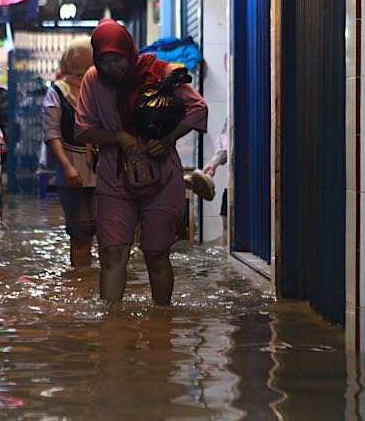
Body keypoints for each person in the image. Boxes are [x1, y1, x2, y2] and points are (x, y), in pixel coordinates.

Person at [75, 19, 208, 305]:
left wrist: (168, 139)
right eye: (105, 61)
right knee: (112, 252)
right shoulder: (93, 80)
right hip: (114, 176)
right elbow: (83, 129)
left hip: (162, 174)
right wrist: (119, 137)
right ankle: (112, 322)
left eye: (117, 59)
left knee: (156, 253)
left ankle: (161, 321)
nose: (112, 67)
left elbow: (198, 109)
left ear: (129, 50)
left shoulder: (161, 72)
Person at [43, 38, 97, 267]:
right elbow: (52, 133)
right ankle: (81, 280)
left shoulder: (100, 88)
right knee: (81, 233)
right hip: (74, 173)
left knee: (110, 235)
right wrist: (67, 167)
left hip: (104, 172)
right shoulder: (58, 92)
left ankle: (97, 283)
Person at [202, 118, 228, 246]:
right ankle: (227, 255)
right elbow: (225, 143)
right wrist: (214, 163)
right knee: (227, 225)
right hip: (232, 185)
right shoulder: (232, 117)